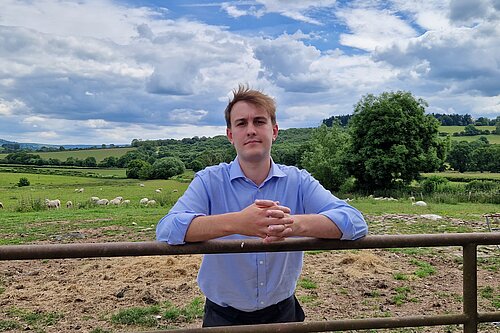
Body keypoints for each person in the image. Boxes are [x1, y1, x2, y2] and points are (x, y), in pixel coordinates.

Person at [156, 84, 368, 327]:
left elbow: (355, 221)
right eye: (241, 123)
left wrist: (292, 224)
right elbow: (167, 228)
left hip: (283, 315)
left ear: (274, 131)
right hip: (223, 318)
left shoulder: (298, 180)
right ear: (230, 135)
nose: (251, 130)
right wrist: (238, 223)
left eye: (259, 121)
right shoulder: (209, 180)